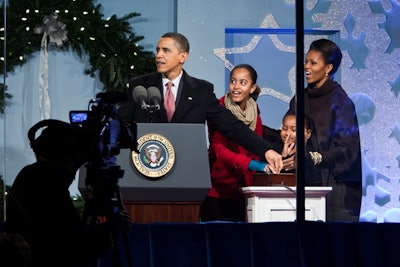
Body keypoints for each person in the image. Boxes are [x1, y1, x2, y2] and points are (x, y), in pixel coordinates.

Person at [126, 32, 282, 173]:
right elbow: (124, 125)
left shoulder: (201, 90)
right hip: (145, 168)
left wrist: (266, 150)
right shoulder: (140, 86)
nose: (159, 55)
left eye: (166, 51)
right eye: (158, 50)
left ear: (183, 57)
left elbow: (232, 126)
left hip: (186, 172)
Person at [5, 119, 130, 266]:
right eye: (72, 156)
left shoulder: (31, 174)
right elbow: (73, 248)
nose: (74, 164)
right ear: (62, 157)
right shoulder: (49, 185)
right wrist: (110, 227)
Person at [288, 38, 362, 222]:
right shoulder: (300, 98)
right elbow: (289, 132)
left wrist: (319, 157)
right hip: (305, 183)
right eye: (306, 61)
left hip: (337, 189)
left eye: (313, 63)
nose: (307, 67)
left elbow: (348, 150)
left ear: (328, 68)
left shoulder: (341, 102)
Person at [199, 64, 269, 222]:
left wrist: (268, 161)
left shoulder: (254, 110)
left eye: (243, 82)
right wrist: (252, 164)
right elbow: (219, 149)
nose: (236, 87)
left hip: (243, 186)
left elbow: (256, 143)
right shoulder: (219, 109)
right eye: (233, 81)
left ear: (252, 88)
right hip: (219, 186)